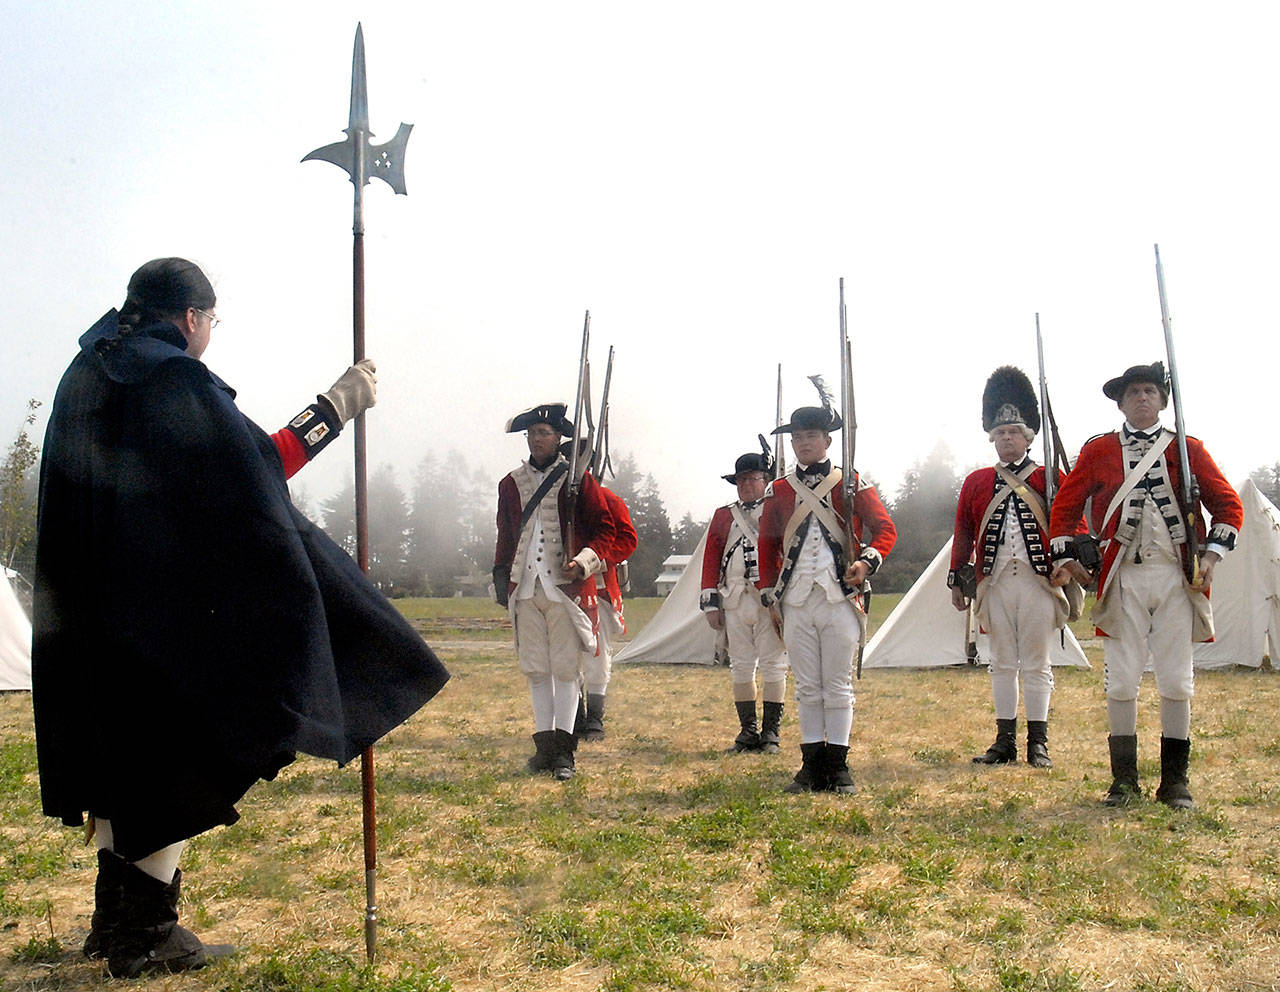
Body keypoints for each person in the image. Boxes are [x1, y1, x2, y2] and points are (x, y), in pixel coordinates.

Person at [32, 258, 449, 979]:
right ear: (192, 318)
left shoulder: (86, 373)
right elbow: (252, 468)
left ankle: (117, 921)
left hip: (84, 614)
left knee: (117, 757)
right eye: (211, 323)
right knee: (175, 754)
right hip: (154, 617)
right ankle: (147, 933)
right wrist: (334, 410)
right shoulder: (170, 376)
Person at [1048, 362, 1242, 808]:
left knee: (1176, 679)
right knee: (1121, 681)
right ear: (1121, 402)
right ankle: (1124, 781)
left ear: (1161, 400)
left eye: (1151, 391)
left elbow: (1228, 507)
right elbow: (1065, 507)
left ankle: (1175, 782)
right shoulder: (1099, 451)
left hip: (1176, 579)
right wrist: (1073, 553)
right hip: (1123, 577)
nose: (1142, 398)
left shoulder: (1187, 448)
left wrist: (1211, 556)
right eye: (1134, 391)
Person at [757, 389, 896, 793]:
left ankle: (838, 765)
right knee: (807, 686)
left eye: (812, 436)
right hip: (796, 598)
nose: (804, 443)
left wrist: (866, 562)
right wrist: (770, 596)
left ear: (828, 441)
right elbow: (767, 544)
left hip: (840, 597)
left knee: (837, 684)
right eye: (798, 438)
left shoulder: (850, 482)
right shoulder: (779, 490)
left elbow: (885, 529)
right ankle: (810, 765)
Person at [949, 367, 1082, 769]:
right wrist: (957, 578)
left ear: (1028, 438)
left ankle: (1037, 742)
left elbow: (1072, 525)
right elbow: (964, 533)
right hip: (995, 584)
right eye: (1001, 433)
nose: (1007, 438)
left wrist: (1067, 566)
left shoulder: (1051, 478)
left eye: (1015, 432)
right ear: (992, 437)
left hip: (1040, 582)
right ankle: (1004, 741)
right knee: (1002, 661)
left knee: (1037, 662)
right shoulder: (976, 482)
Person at [493, 404, 615, 780]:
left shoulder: (578, 481)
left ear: (558, 437)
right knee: (536, 670)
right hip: (526, 589)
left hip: (565, 590)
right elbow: (507, 535)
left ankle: (565, 751)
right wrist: (502, 579)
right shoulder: (510, 483)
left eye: (544, 432)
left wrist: (584, 561)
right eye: (532, 433)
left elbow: (609, 532)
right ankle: (544, 749)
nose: (537, 439)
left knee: (565, 671)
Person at [701, 444, 790, 753]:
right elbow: (711, 558)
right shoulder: (724, 515)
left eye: (753, 479)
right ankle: (747, 732)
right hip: (734, 599)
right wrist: (711, 602)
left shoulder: (779, 510)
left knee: (773, 664)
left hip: (769, 600)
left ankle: (771, 733)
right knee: (740, 665)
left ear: (765, 479)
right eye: (741, 480)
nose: (747, 485)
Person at [578, 482, 637, 741]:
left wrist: (593, 561)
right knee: (566, 657)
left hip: (598, 588)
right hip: (559, 588)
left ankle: (594, 719)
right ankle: (575, 716)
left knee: (598, 655)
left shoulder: (607, 499)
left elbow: (627, 539)